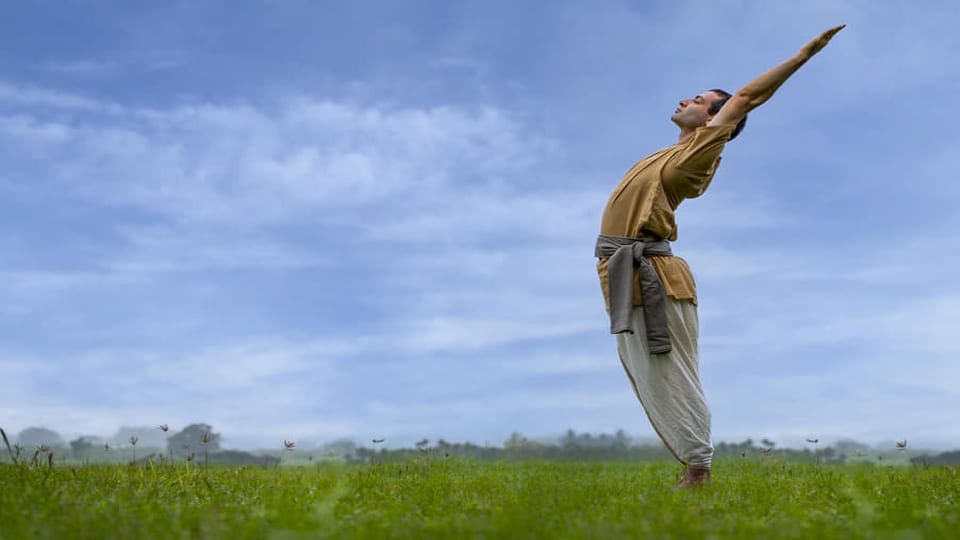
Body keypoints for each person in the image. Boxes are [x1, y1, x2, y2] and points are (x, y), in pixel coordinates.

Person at [595, 24, 845, 488]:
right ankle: (695, 465)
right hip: (630, 270)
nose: (685, 100)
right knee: (652, 368)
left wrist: (804, 53)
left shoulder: (704, 149)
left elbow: (747, 97)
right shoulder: (667, 154)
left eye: (698, 99)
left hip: (654, 275)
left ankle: (698, 469)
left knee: (669, 368)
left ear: (714, 119)